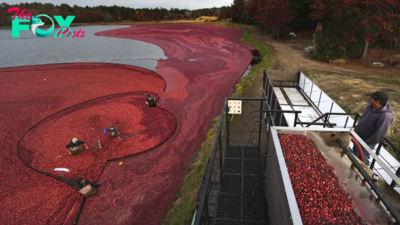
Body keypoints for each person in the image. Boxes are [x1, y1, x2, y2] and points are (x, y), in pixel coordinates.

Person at [353, 91, 393, 165]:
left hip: (365, 143)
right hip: (357, 137)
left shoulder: (385, 116)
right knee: (355, 156)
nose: (369, 99)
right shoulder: (369, 107)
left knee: (362, 160)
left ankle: (364, 174)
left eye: (371, 98)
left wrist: (366, 142)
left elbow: (380, 134)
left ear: (377, 101)